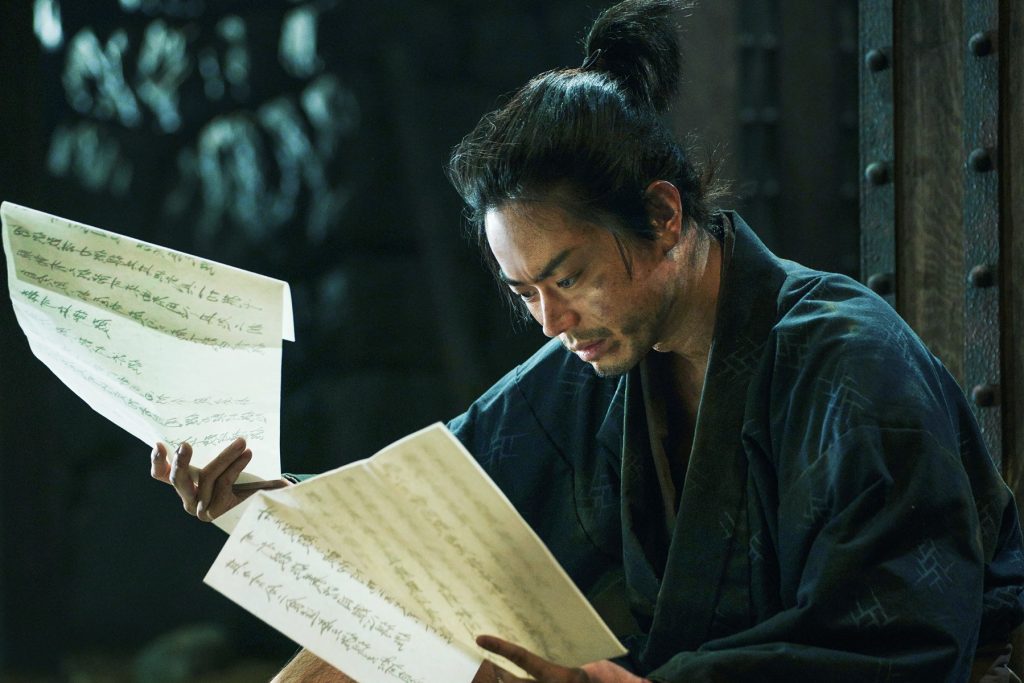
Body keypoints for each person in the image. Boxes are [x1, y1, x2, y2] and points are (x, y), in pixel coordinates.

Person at [151, 0, 1024, 680]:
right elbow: (429, 514)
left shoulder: (851, 365)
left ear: (663, 216)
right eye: (524, 292)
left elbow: (908, 642)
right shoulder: (592, 365)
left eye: (567, 277)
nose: (550, 320)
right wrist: (263, 501)